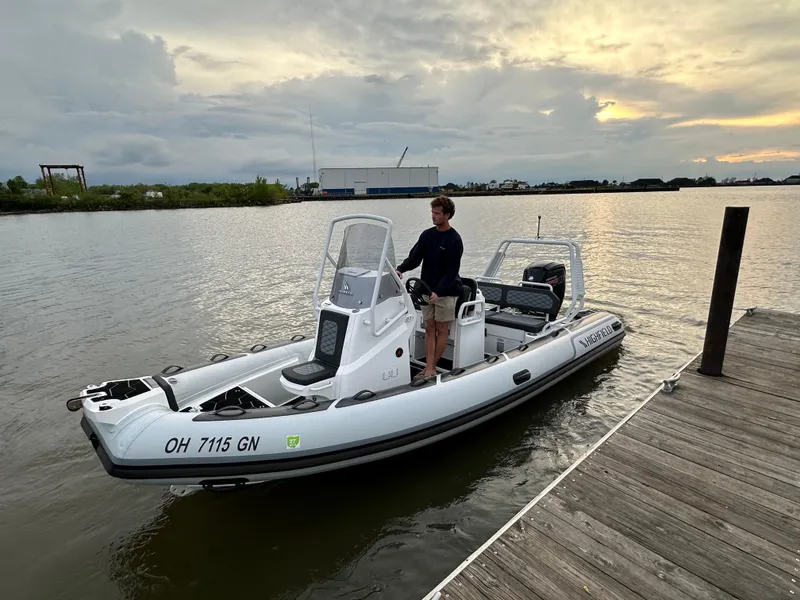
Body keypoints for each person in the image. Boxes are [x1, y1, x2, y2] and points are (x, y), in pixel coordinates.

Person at [396, 195, 464, 378]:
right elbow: (415, 258)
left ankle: (431, 368)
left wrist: (439, 291)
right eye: (432, 212)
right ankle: (429, 367)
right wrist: (401, 268)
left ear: (447, 215)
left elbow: (452, 272)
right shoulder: (427, 235)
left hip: (447, 292)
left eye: (437, 213)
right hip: (426, 288)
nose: (433, 216)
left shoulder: (454, 240)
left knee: (441, 328)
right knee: (429, 327)